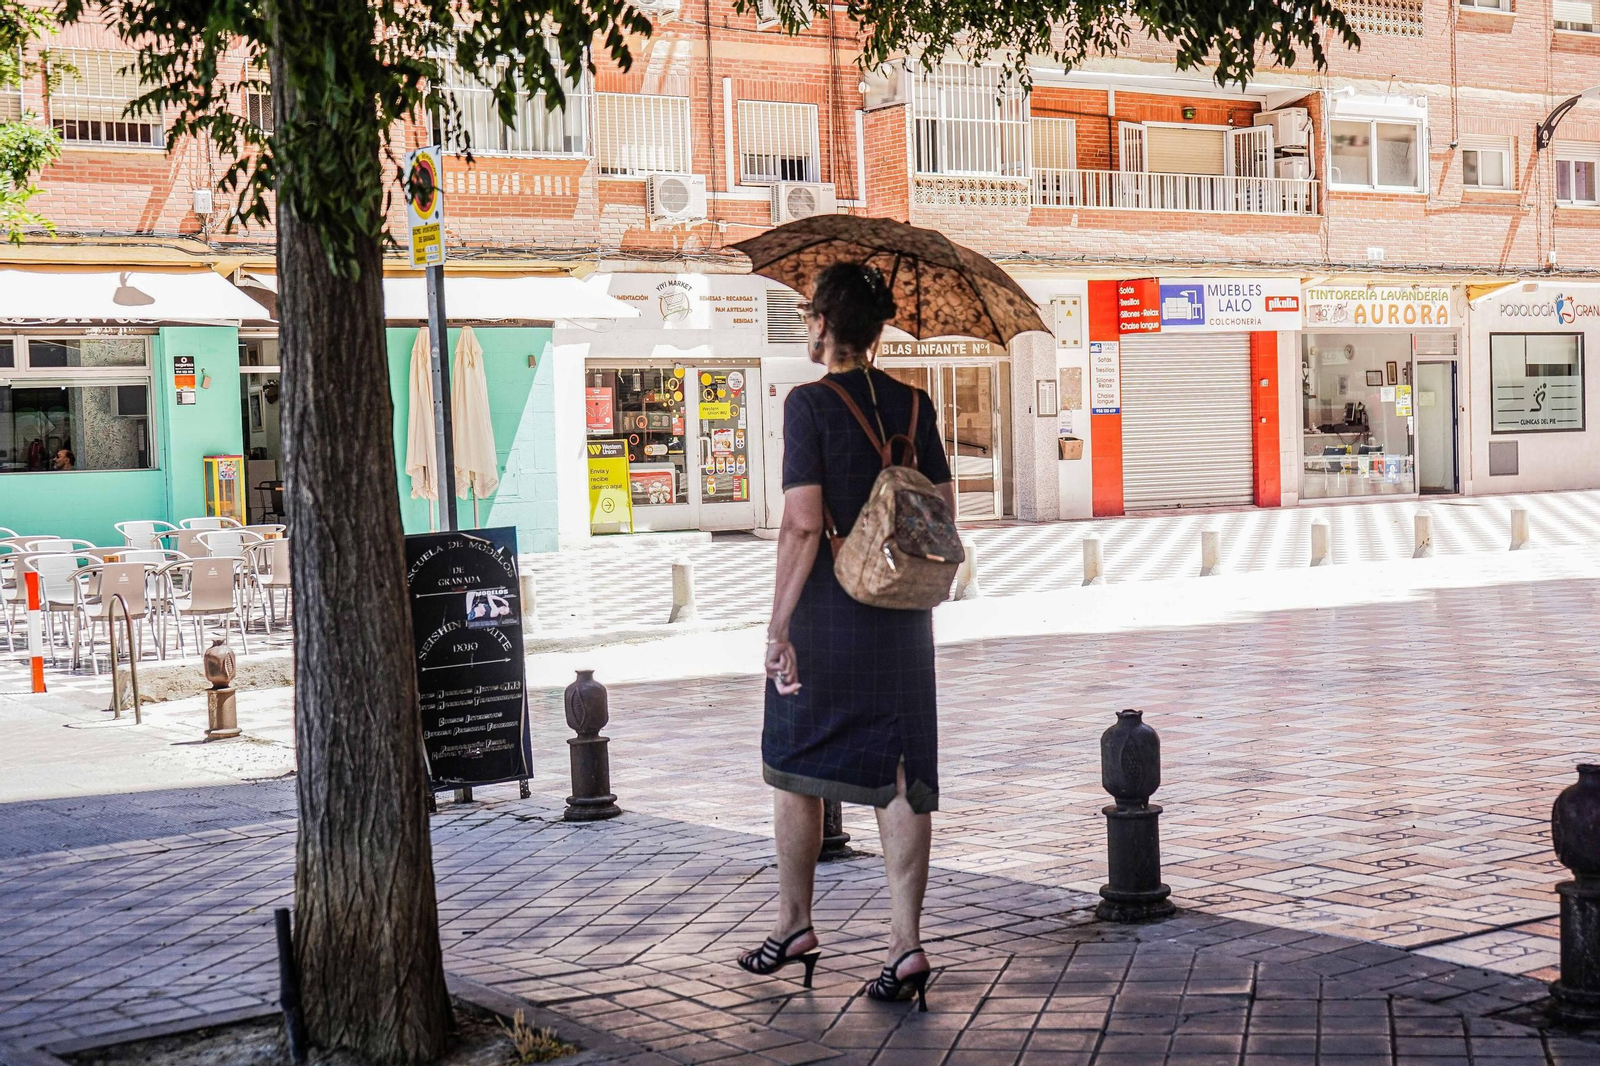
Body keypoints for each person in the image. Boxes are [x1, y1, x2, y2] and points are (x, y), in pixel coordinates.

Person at [738, 262, 954, 1012]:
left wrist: (777, 627)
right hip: (901, 613)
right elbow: (941, 512)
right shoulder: (916, 406)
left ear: (825, 327)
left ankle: (795, 925)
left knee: (793, 763)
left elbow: (802, 522)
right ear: (880, 330)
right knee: (898, 773)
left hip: (828, 609)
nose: (807, 331)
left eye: (808, 319)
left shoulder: (809, 405)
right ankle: (905, 945)